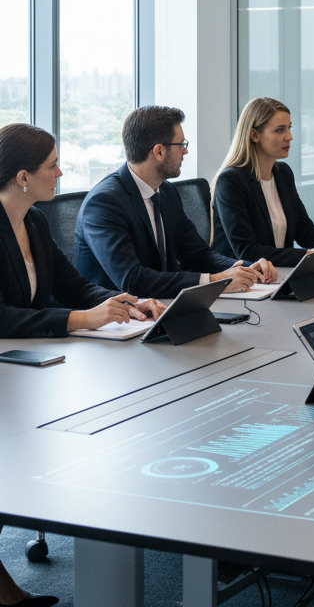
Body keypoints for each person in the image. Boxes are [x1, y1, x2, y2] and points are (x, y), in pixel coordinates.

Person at [0, 123, 165, 607]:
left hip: (25, 368)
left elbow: (74, 286)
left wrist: (121, 302)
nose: (61, 172)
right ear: (23, 176)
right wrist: (79, 320)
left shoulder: (34, 223)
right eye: (53, 165)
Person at [75, 106, 277, 300]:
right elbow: (132, 279)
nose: (185, 152)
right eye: (181, 145)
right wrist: (215, 281)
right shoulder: (104, 203)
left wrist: (245, 267)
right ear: (159, 152)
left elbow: (197, 255)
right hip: (116, 322)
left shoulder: (167, 192)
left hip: (163, 307)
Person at [210, 97, 314, 267]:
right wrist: (313, 256)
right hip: (244, 282)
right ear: (254, 135)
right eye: (279, 130)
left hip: (280, 275)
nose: (289, 137)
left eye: (289, 128)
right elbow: (248, 251)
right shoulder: (231, 181)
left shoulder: (282, 173)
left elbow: (305, 234)